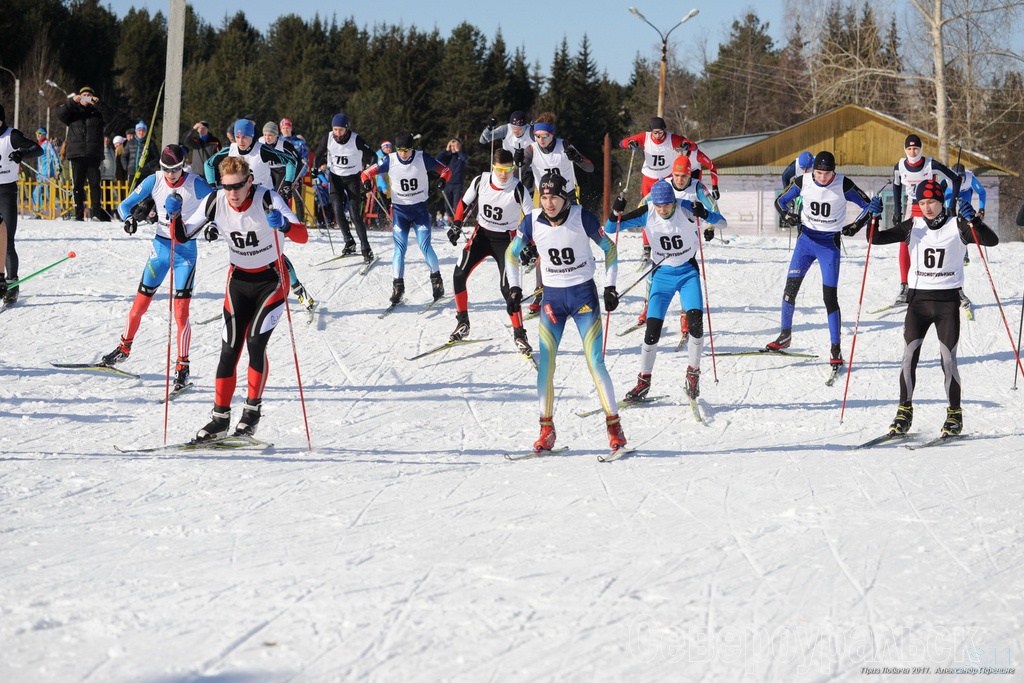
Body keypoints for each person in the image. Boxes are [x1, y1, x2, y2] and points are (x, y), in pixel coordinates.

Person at [177, 155, 309, 441]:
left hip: (272, 280)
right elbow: (182, 235)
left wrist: (284, 226)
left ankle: (250, 415)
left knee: (255, 343)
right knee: (229, 349)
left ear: (250, 181)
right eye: (227, 186)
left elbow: (303, 236)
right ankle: (219, 419)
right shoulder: (216, 201)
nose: (232, 193)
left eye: (238, 186)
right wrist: (174, 216)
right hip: (238, 281)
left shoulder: (268, 198)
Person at [504, 170, 627, 454]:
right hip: (552, 301)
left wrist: (610, 287)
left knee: (595, 362)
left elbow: (610, 249)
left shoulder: (582, 217)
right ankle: (546, 430)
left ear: (565, 197)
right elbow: (512, 254)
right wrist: (514, 288)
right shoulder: (532, 222)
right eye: (544, 197)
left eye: (554, 197)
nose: (548, 203)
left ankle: (614, 428)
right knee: (545, 366)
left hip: (583, 296)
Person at [868, 179, 998, 437]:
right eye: (922, 203)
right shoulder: (912, 226)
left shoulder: (958, 225)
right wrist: (873, 216)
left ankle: (954, 415)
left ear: (942, 202)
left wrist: (976, 221)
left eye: (932, 202)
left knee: (948, 361)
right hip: (918, 304)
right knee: (908, 358)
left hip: (947, 304)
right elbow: (876, 239)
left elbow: (991, 241)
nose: (927, 208)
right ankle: (904, 411)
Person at [102, 144, 215, 390]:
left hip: (186, 251)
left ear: (182, 165)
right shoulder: (155, 180)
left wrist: (212, 225)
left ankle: (182, 366)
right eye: (166, 169)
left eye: (175, 169)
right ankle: (124, 348)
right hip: (161, 249)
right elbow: (124, 205)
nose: (170, 174)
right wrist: (129, 219)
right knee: (139, 305)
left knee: (181, 312)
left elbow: (218, 203)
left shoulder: (194, 183)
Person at [607, 180, 724, 403]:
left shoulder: (685, 208)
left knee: (696, 327)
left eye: (667, 205)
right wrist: (616, 210)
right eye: (659, 205)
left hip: (688, 272)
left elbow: (723, 224)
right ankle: (643, 382)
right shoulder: (647, 212)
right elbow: (611, 227)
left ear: (673, 201)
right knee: (651, 332)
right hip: (661, 275)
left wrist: (706, 214)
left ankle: (693, 374)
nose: (663, 210)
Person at [766, 151, 877, 366]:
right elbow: (780, 201)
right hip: (805, 242)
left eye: (826, 174)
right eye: (818, 173)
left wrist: (856, 225)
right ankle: (785, 335)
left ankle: (835, 348)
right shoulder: (802, 181)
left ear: (833, 172)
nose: (822, 178)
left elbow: (869, 206)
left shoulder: (844, 184)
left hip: (829, 245)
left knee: (829, 298)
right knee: (790, 291)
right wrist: (787, 215)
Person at [207, 120, 313, 313]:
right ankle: (243, 296)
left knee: (275, 253)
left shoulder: (261, 150)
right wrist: (213, 187)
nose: (240, 140)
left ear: (252, 136)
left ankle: (298, 289)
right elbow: (209, 164)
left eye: (245, 136)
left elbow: (291, 161)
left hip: (263, 204)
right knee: (245, 250)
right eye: (238, 136)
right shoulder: (230, 149)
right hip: (240, 205)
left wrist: (288, 182)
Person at [447, 148, 535, 354]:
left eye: (508, 169)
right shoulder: (481, 181)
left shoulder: (518, 188)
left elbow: (531, 218)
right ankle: (463, 322)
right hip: (482, 236)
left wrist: (528, 244)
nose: (504, 174)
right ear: (493, 168)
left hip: (507, 240)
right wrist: (457, 224)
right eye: (500, 169)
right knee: (459, 275)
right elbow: (463, 202)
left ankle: (520, 334)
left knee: (509, 291)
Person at [517, 112, 594, 316]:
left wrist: (577, 158)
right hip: (546, 200)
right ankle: (541, 290)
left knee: (572, 242)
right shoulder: (531, 149)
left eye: (545, 136)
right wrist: (516, 162)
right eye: (537, 136)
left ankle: (580, 286)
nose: (541, 140)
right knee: (546, 244)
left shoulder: (564, 145)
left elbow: (589, 168)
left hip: (568, 197)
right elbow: (517, 170)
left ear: (553, 135)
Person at [361, 131, 451, 305]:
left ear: (412, 148)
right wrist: (366, 182)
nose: (403, 154)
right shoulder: (390, 160)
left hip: (420, 211)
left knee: (425, 246)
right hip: (400, 212)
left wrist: (442, 179)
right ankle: (397, 287)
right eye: (400, 150)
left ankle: (437, 283)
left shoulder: (421, 157)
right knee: (399, 249)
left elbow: (445, 170)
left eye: (407, 150)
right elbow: (365, 173)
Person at [890, 134, 959, 306]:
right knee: (904, 244)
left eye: (916, 149)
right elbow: (897, 187)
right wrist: (897, 211)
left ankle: (955, 287)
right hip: (912, 208)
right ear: (905, 149)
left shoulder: (931, 164)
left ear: (921, 149)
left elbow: (956, 179)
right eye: (909, 149)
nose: (912, 152)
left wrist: (951, 205)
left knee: (940, 243)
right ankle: (905, 285)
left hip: (932, 209)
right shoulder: (899, 166)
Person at [314, 113, 375, 262]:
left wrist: (367, 174)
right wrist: (315, 168)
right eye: (335, 129)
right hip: (335, 178)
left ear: (347, 129)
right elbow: (318, 154)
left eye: (340, 130)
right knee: (337, 209)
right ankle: (349, 241)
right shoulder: (328, 138)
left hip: (353, 178)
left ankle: (366, 248)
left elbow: (373, 156)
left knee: (354, 213)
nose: (337, 133)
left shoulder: (356, 139)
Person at [0, 104, 43, 304]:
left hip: (7, 191)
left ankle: (12, 283)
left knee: (7, 240)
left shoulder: (12, 135)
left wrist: (21, 154)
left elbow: (38, 149)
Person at [56, 86, 113, 221]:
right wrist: (72, 101)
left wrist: (98, 103)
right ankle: (78, 213)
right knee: (78, 185)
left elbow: (111, 115)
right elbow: (60, 114)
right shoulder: (73, 112)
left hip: (93, 154)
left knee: (94, 184)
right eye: (84, 95)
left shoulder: (97, 112)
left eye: (89, 95)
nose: (86, 97)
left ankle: (95, 213)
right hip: (76, 153)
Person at [618, 116, 701, 197]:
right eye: (655, 132)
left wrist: (686, 145)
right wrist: (630, 143)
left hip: (666, 177)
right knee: (646, 204)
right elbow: (622, 143)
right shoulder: (645, 137)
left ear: (664, 130)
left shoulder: (671, 138)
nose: (657, 135)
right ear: (651, 131)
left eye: (660, 132)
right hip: (649, 177)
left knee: (668, 202)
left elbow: (693, 145)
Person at [278, 117, 309, 223]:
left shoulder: (299, 143)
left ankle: (300, 221)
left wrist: (300, 174)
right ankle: (284, 221)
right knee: (282, 198)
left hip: (296, 174)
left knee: (298, 199)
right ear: (280, 129)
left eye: (287, 128)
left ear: (291, 128)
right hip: (282, 175)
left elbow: (305, 160)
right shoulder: (278, 141)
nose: (286, 130)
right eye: (283, 128)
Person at [32, 127, 62, 218]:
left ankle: (38, 211)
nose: (38, 135)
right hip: (41, 174)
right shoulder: (39, 145)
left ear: (44, 134)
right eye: (37, 133)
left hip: (47, 174)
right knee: (49, 195)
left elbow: (55, 155)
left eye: (40, 133)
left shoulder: (47, 144)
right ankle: (62, 208)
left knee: (36, 193)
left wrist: (57, 168)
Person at [436, 137, 468, 219]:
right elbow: (437, 159)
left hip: (458, 184)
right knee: (447, 206)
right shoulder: (448, 156)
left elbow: (466, 159)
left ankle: (458, 221)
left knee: (456, 205)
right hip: (447, 183)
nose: (453, 148)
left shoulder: (461, 155)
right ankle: (450, 220)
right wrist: (446, 150)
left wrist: (458, 150)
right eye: (451, 146)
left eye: (455, 145)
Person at [124, 121, 157, 186]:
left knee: (144, 192)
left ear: (146, 132)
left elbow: (156, 158)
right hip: (132, 173)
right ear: (136, 131)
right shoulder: (130, 143)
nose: (141, 132)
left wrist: (148, 166)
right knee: (132, 192)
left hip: (145, 174)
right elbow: (124, 156)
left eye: (143, 131)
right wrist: (126, 167)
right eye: (139, 130)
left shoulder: (150, 143)